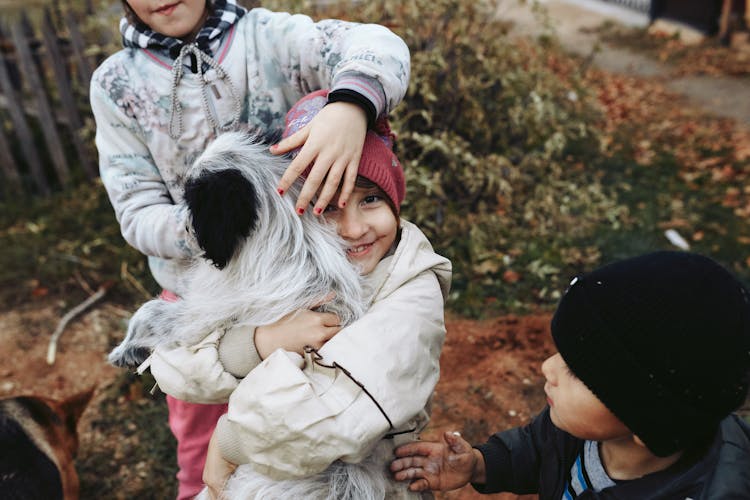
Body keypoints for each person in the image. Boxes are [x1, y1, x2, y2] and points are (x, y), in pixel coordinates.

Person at [90, 2, 410, 498]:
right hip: (201, 287)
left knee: (314, 416)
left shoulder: (271, 39)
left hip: (307, 285)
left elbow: (380, 45)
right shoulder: (117, 83)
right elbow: (135, 210)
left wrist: (351, 106)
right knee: (200, 445)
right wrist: (226, 227)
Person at [146, 89, 451, 499]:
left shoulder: (413, 288)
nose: (354, 228)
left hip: (368, 481)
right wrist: (256, 343)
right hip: (268, 471)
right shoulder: (298, 271)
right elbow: (175, 365)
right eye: (330, 205)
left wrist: (232, 440)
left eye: (371, 200)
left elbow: (339, 410)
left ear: (397, 200)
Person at [391, 251, 750, 498]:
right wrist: (480, 465)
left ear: (644, 423)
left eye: (578, 372)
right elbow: (537, 448)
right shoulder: (582, 429)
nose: (548, 367)